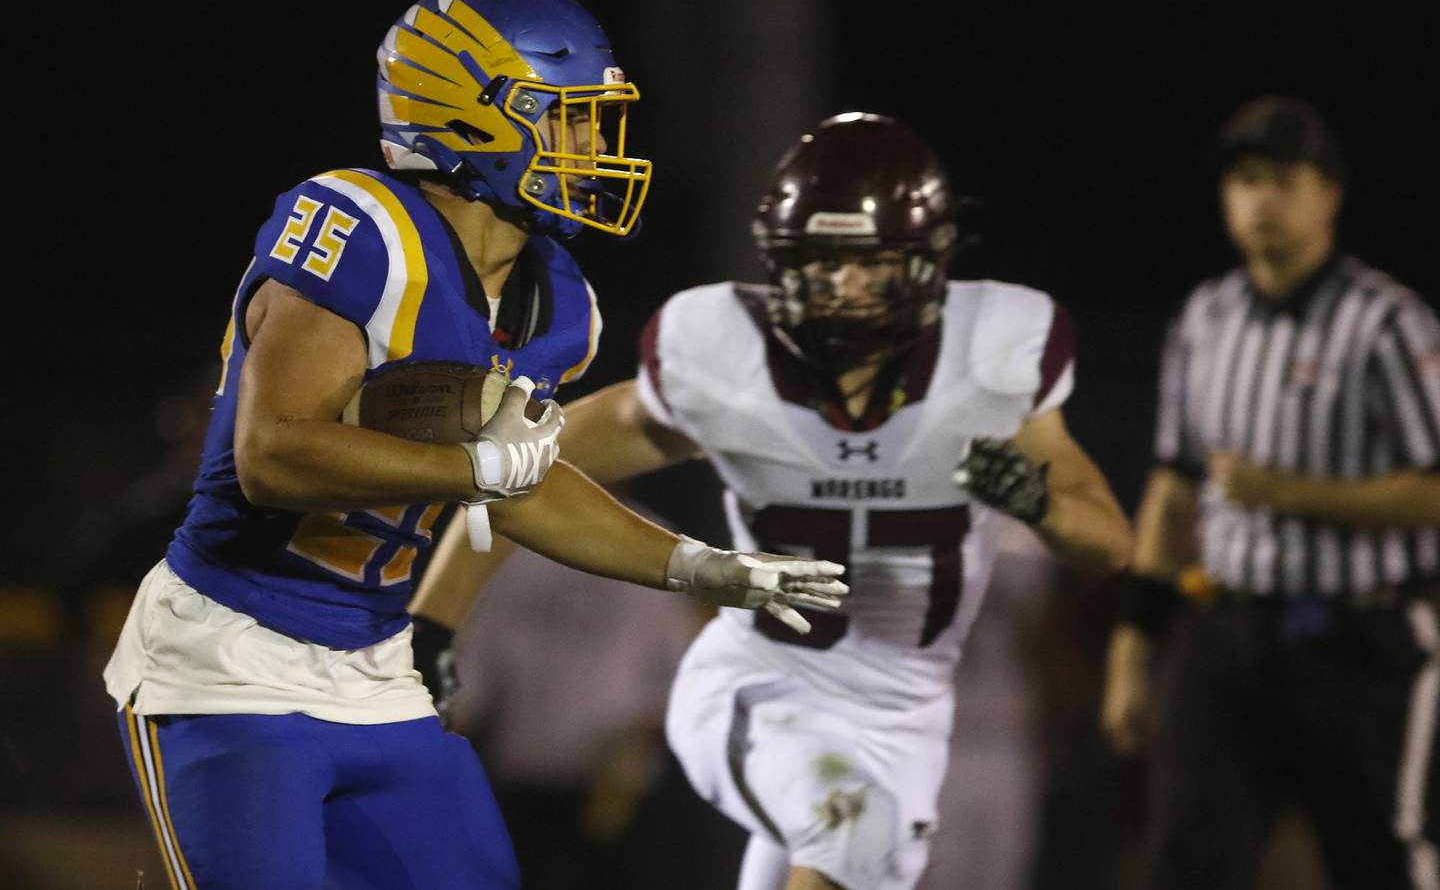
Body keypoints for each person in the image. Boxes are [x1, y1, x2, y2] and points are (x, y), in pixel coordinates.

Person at [101, 0, 844, 890]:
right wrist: (468, 464)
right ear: (468, 114)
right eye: (562, 118)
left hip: (373, 666)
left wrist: (701, 566)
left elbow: (521, 481)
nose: (588, 146)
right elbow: (272, 452)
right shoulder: (361, 229)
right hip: (230, 655)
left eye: (590, 120)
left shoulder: (560, 300)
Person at [412, 112, 1133, 890]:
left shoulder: (989, 361)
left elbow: (1107, 540)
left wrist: (1038, 501)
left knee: (850, 834)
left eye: (870, 267)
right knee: (851, 822)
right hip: (759, 682)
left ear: (928, 263)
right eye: (820, 267)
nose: (845, 293)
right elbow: (515, 465)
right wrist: (433, 618)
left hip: (904, 720)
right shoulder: (732, 358)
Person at [1100, 95, 1440, 890]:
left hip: (1361, 639)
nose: (1261, 201)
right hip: (1227, 630)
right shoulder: (1204, 318)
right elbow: (1173, 489)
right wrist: (1132, 645)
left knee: (1379, 858)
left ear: (1328, 193)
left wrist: (1291, 492)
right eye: (1245, 181)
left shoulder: (1386, 324)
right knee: (1188, 861)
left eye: (1283, 180)